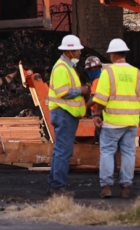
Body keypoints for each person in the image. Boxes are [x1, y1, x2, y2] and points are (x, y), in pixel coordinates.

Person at [92, 38, 140, 199]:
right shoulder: (137, 73)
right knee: (128, 153)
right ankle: (126, 188)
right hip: (131, 122)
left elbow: (101, 98)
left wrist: (96, 114)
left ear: (112, 55)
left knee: (107, 152)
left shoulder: (108, 73)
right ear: (125, 54)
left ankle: (106, 187)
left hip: (112, 122)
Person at [46, 34, 89, 195]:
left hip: (65, 113)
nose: (79, 53)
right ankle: (58, 187)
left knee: (60, 150)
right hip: (64, 113)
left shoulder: (66, 68)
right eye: (77, 50)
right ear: (69, 51)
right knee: (63, 151)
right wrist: (82, 90)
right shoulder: (62, 68)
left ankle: (55, 186)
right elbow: (63, 92)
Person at [83, 56, 104, 144]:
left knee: (100, 138)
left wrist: (83, 108)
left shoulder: (97, 80)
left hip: (99, 113)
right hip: (102, 112)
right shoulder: (102, 78)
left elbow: (94, 98)